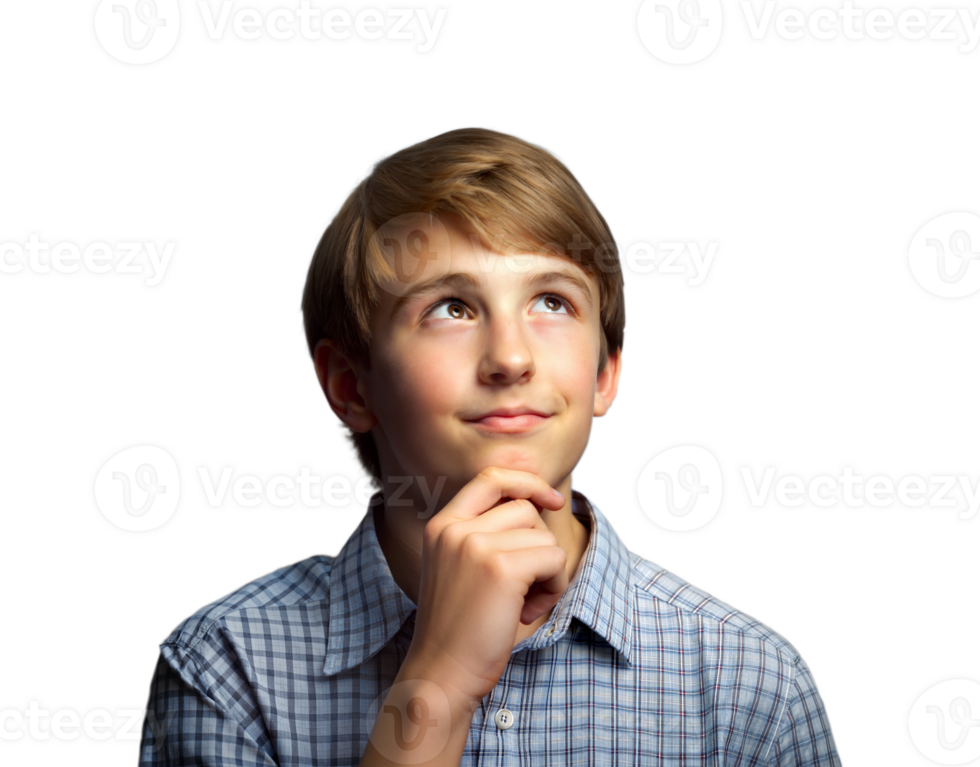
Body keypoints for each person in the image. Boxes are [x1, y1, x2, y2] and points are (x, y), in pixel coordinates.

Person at [137, 126, 842, 766]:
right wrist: (435, 682)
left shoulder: (750, 683)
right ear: (350, 385)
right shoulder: (227, 667)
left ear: (603, 375)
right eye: (451, 308)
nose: (510, 358)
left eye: (552, 302)